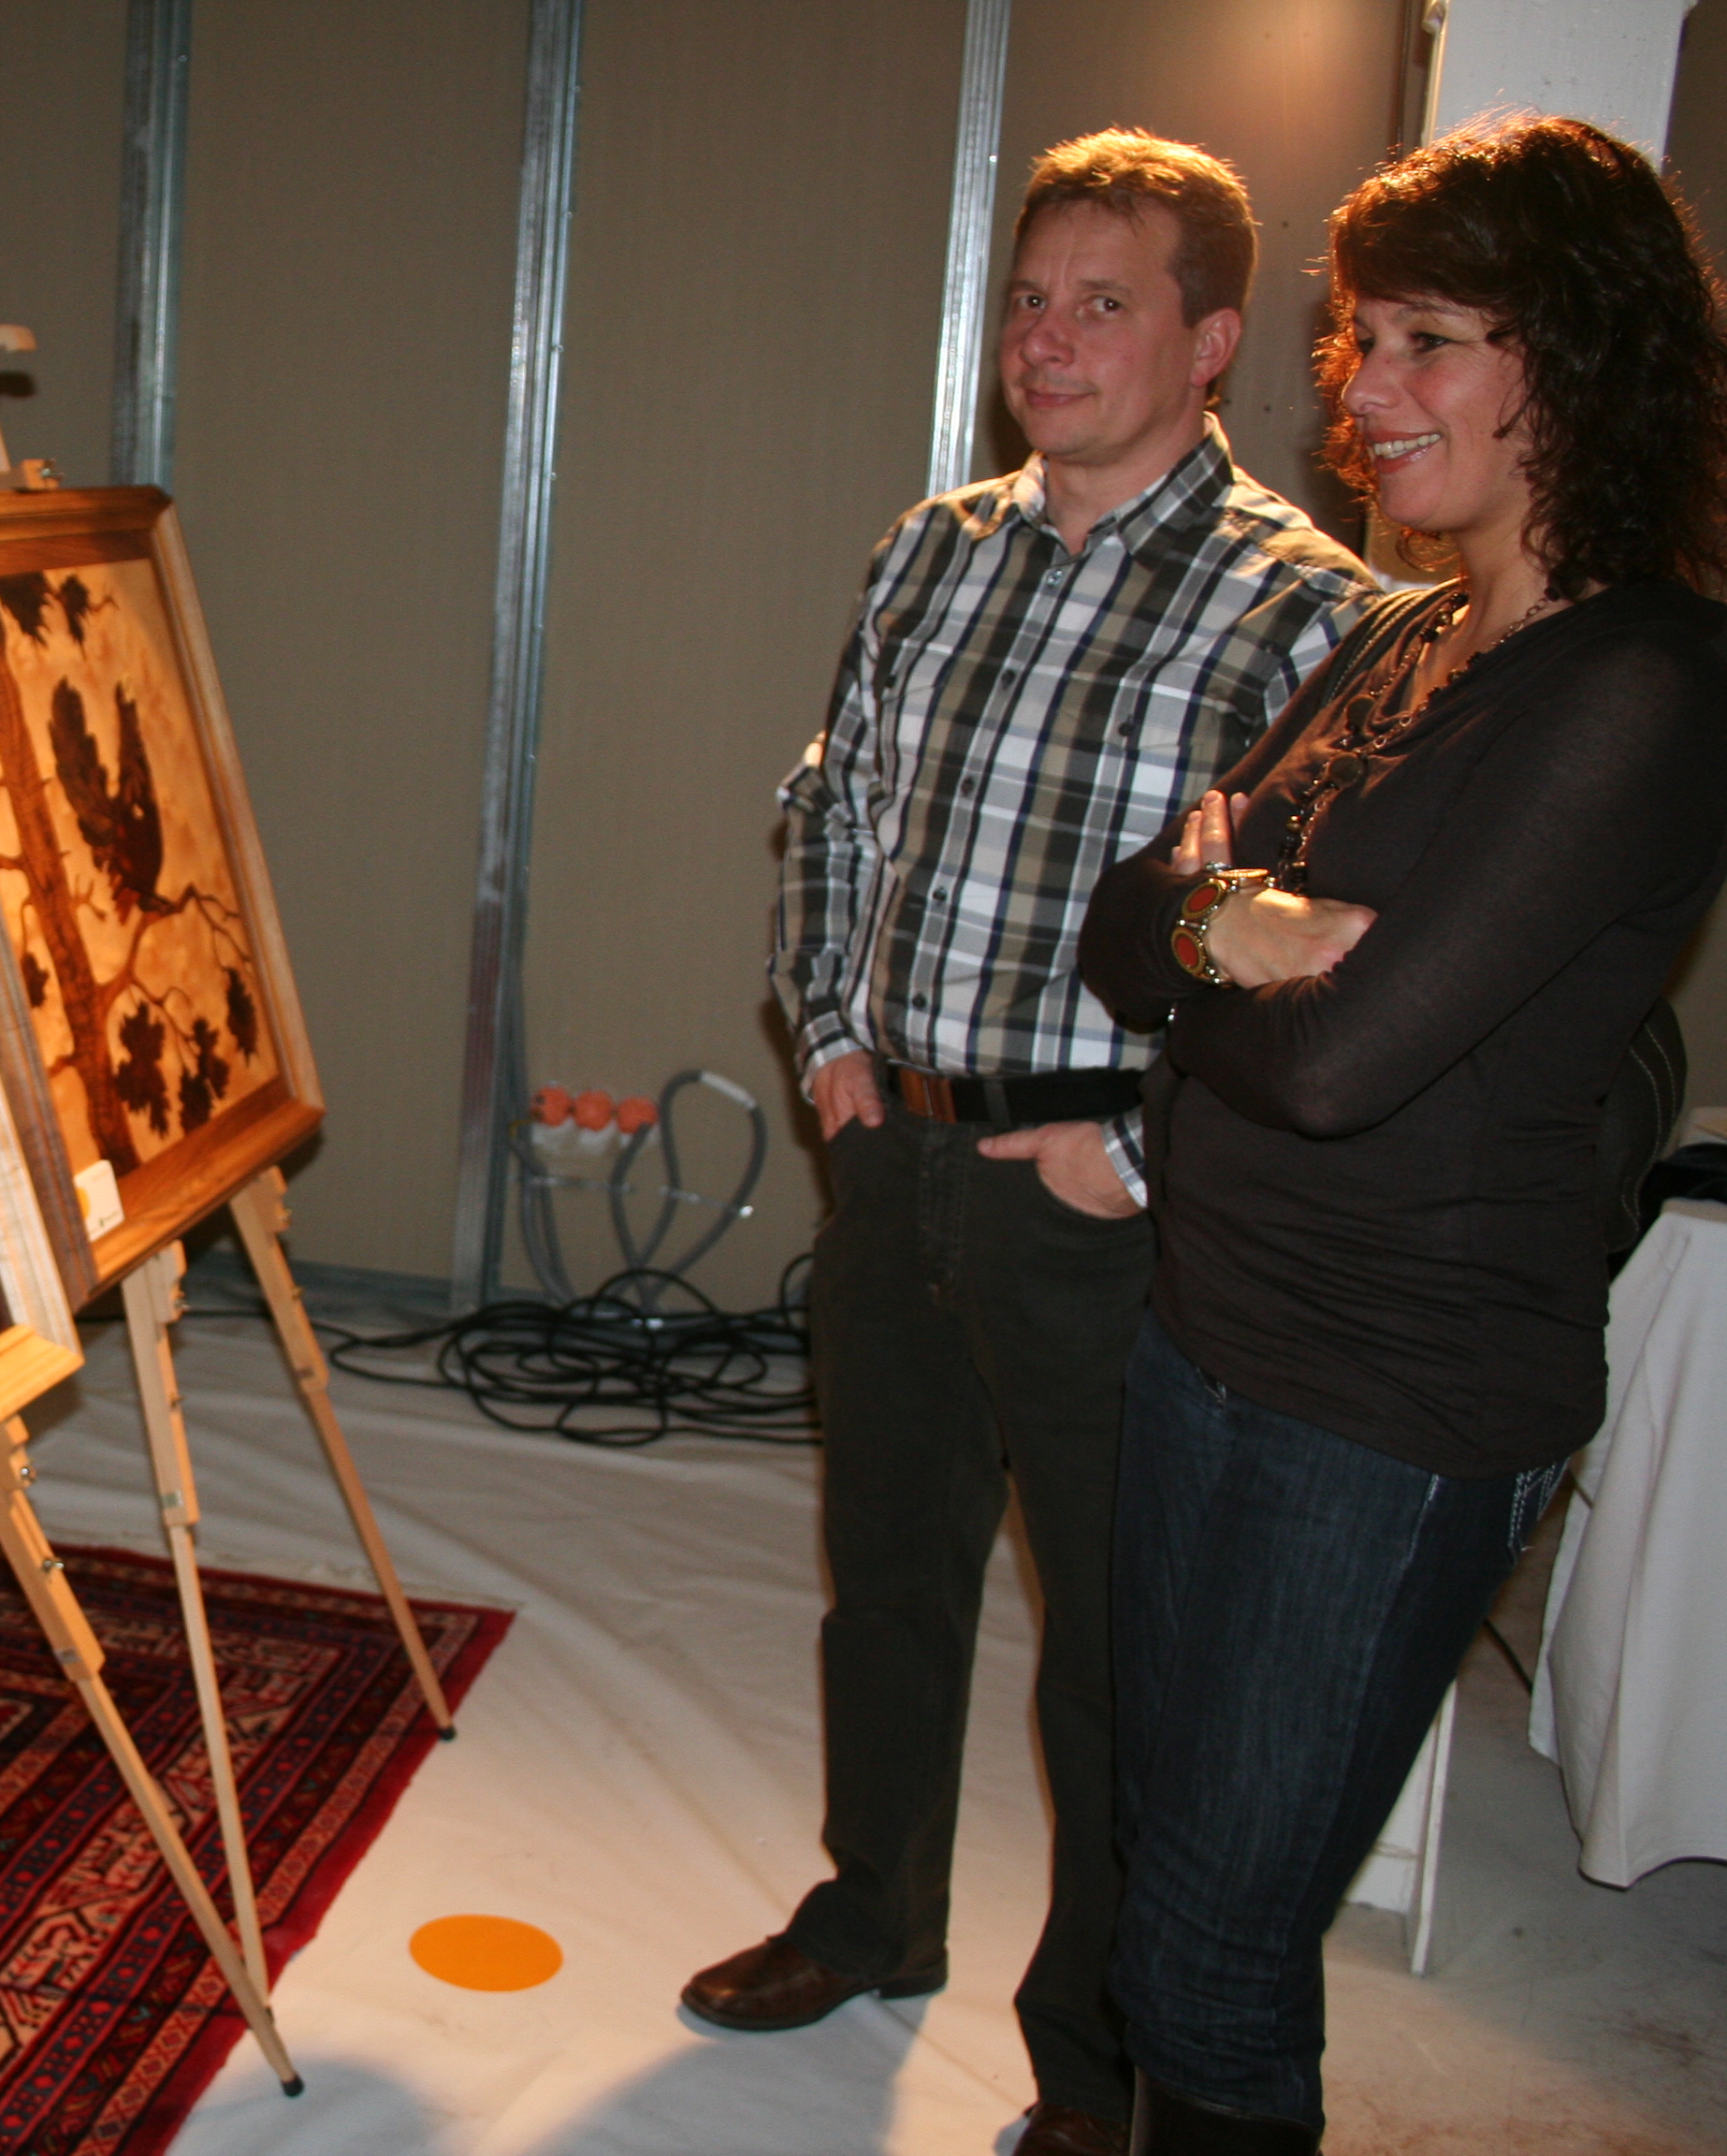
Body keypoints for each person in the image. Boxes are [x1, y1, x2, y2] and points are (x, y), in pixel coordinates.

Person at [1078, 116, 1727, 2151]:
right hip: (1211, 1329)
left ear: (1584, 354)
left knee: (1211, 1958)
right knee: (1166, 1872)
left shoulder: (1641, 683)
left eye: (1429, 340)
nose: (1363, 392)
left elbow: (1335, 1072)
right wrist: (1244, 925)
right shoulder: (1407, 633)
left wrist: (1219, 931)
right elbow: (1124, 933)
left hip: (1390, 1401)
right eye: (1361, 340)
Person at [704, 130, 1372, 2155]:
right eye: (1029, 300)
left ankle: (1094, 2066)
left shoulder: (1302, 608)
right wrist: (833, 1044)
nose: (1048, 341)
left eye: (1104, 303)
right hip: (896, 1160)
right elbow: (831, 809)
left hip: (1103, 1209)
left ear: (1212, 342)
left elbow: (1324, 953)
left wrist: (1140, 1157)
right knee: (888, 1580)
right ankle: (873, 1913)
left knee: (1114, 1660)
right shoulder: (934, 548)